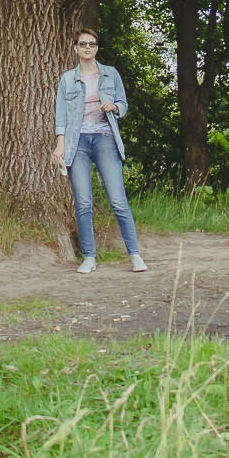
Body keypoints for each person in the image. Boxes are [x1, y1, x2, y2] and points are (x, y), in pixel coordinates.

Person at [54, 27, 142, 273]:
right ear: (75, 48)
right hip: (77, 142)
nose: (87, 48)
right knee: (83, 203)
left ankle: (135, 255)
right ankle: (89, 258)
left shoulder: (110, 75)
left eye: (91, 44)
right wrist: (60, 145)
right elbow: (61, 115)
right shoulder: (67, 79)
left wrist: (113, 106)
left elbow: (123, 104)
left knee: (118, 200)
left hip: (105, 139)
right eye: (83, 44)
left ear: (96, 48)